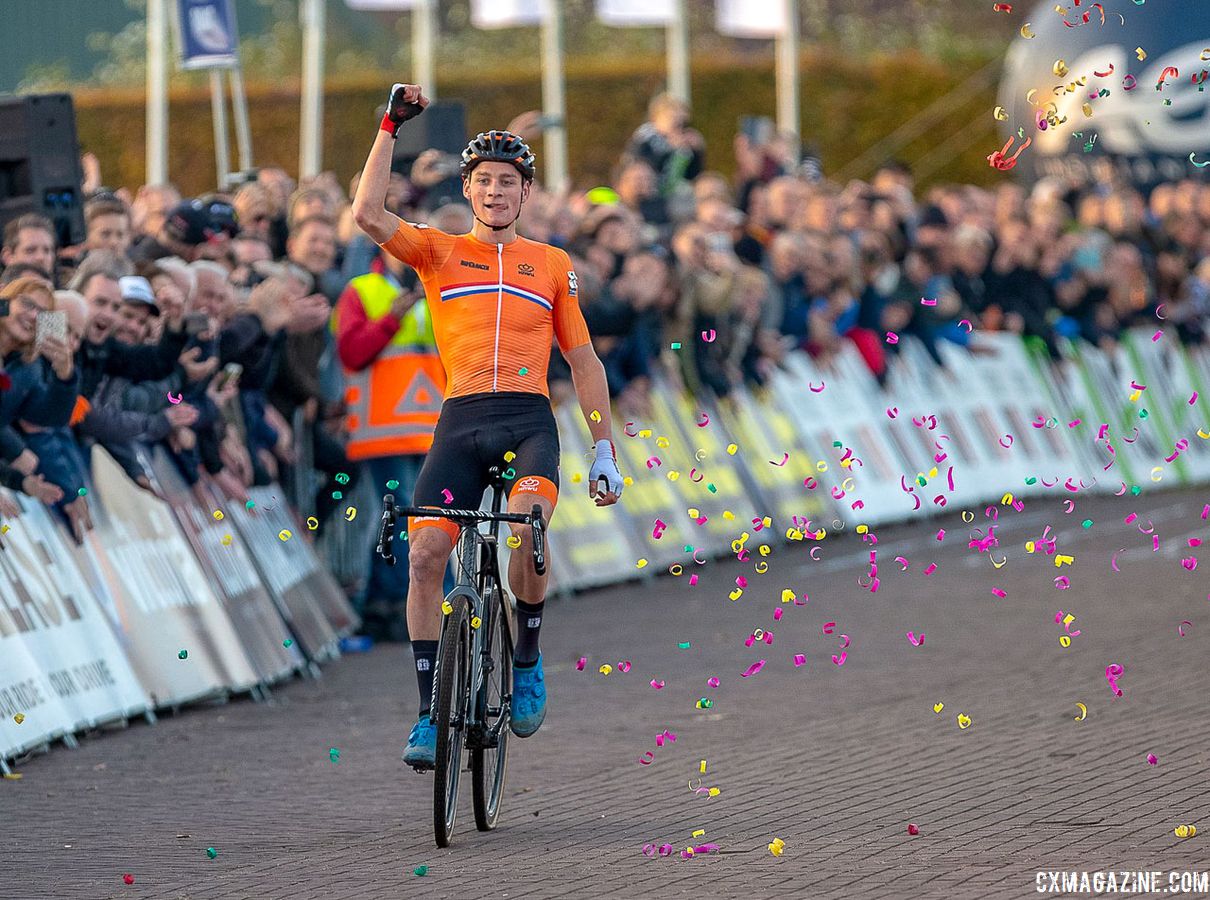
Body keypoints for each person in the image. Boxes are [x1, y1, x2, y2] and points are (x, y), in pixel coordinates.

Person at [351, 83, 624, 769]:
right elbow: (365, 212)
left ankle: (526, 660)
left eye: (508, 182)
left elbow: (583, 358)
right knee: (422, 558)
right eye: (484, 182)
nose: (496, 192)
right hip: (462, 424)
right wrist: (390, 124)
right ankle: (425, 715)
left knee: (527, 532)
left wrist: (604, 448)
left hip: (527, 420)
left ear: (525, 194)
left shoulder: (552, 264)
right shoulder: (438, 253)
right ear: (468, 192)